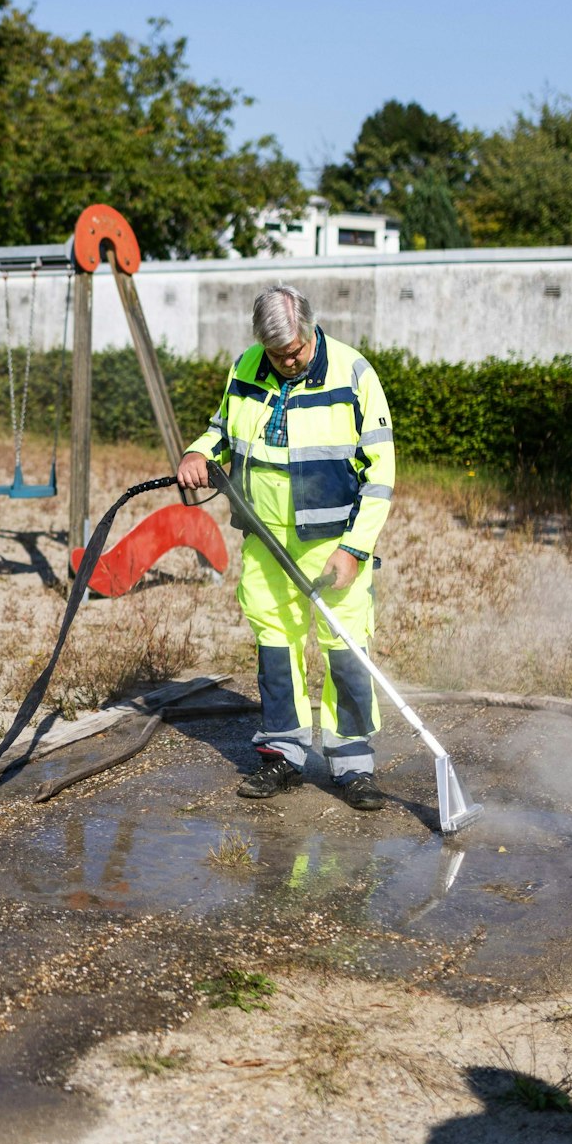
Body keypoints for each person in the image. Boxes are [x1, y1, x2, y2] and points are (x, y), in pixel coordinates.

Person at [176, 285, 396, 811]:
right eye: (276, 354)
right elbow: (219, 431)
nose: (286, 360)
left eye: (293, 350)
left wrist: (354, 550)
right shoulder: (247, 367)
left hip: (333, 545)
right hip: (266, 540)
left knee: (344, 651)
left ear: (311, 330)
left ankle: (352, 764)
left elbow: (382, 474)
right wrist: (196, 452)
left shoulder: (353, 373)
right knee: (276, 649)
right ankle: (284, 753)